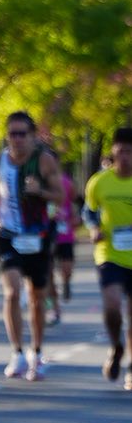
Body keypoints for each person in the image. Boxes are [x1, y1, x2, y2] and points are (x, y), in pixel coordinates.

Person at [0, 112, 64, 381]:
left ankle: (37, 352)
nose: (16, 139)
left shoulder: (43, 160)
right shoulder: (0, 160)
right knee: (11, 291)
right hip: (8, 235)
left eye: (22, 134)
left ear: (32, 135)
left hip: (37, 236)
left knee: (36, 299)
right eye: (12, 134)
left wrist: (39, 192)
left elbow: (61, 196)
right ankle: (17, 352)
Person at [84, 127, 132, 388]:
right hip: (109, 253)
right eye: (120, 151)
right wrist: (93, 227)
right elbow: (89, 211)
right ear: (113, 152)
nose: (124, 156)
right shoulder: (100, 182)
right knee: (112, 306)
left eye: (129, 151)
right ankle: (116, 347)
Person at [49, 159, 76, 319]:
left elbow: (73, 202)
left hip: (65, 232)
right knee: (49, 273)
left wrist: (74, 217)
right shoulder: (41, 183)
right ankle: (55, 307)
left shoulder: (67, 182)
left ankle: (66, 282)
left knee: (66, 269)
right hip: (48, 234)